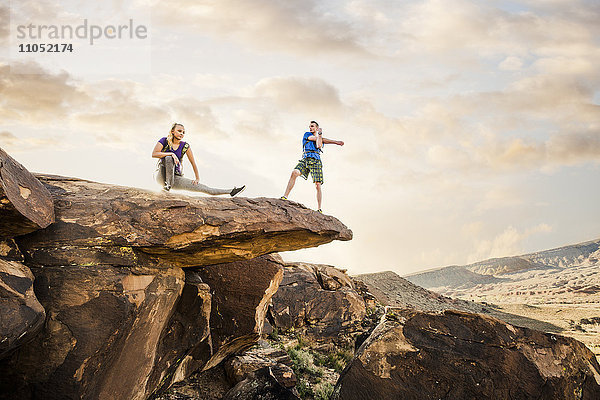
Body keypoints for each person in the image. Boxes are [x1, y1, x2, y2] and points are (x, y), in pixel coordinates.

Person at [152, 123, 245, 196]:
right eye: (179, 131)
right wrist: (171, 153)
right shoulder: (164, 140)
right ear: (172, 131)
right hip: (162, 175)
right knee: (168, 158)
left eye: (183, 132)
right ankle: (167, 186)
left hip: (175, 178)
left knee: (204, 188)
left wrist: (197, 178)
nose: (181, 133)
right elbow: (154, 154)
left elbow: (193, 163)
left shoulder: (185, 146)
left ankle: (231, 191)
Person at [281, 120, 344, 212]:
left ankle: (319, 208)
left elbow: (319, 144)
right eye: (310, 126)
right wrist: (333, 141)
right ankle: (285, 196)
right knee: (295, 172)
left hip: (316, 160)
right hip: (306, 158)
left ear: (317, 128)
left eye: (312, 126)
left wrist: (329, 139)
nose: (310, 128)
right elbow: (315, 139)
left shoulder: (319, 137)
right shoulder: (307, 134)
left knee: (318, 185)